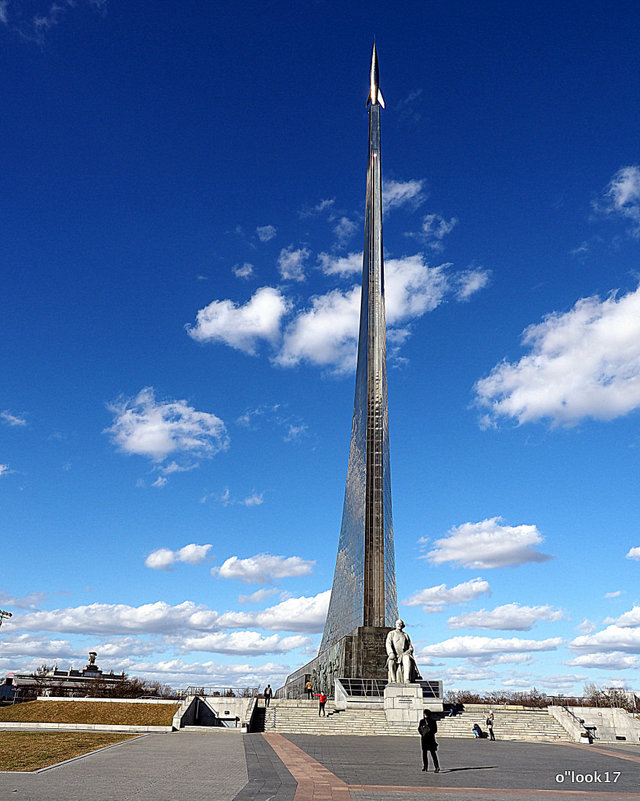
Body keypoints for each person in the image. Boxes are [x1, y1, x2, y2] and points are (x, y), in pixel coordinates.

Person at [386, 619, 421, 683]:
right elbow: (388, 644)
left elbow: (410, 647)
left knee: (407, 658)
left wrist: (409, 650)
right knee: (391, 662)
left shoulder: (405, 635)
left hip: (404, 654)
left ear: (402, 626)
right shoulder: (391, 634)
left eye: (400, 623)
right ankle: (393, 680)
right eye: (398, 623)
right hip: (395, 655)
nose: (399, 625)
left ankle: (406, 679)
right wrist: (391, 653)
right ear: (395, 625)